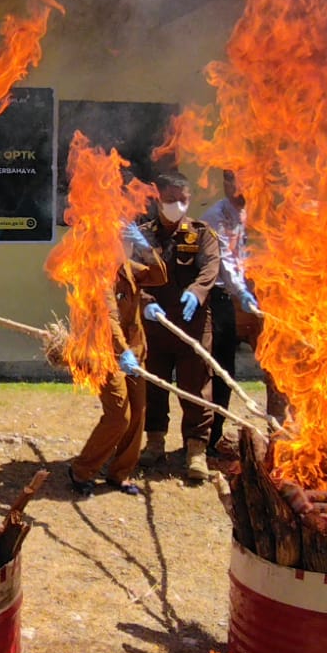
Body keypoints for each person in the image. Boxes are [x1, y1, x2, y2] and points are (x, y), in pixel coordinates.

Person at [69, 219, 166, 497]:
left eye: (129, 240)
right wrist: (122, 351)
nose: (127, 245)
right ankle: (81, 470)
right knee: (118, 416)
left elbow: (159, 276)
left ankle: (120, 473)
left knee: (138, 414)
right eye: (121, 240)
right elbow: (107, 318)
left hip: (135, 352)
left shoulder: (127, 268)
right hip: (105, 355)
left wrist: (147, 249)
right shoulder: (96, 274)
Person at [139, 172, 221, 481]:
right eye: (171, 200)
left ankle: (196, 451)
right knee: (155, 385)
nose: (177, 206)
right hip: (156, 324)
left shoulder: (202, 235)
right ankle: (155, 443)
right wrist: (145, 302)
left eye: (183, 200)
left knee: (196, 387)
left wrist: (197, 293)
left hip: (193, 324)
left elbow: (210, 268)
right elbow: (132, 273)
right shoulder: (144, 236)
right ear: (158, 198)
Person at [201, 170, 286, 446]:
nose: (238, 187)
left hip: (244, 297)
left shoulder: (246, 213)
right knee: (220, 370)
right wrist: (242, 292)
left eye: (243, 180)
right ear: (225, 183)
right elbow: (224, 261)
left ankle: (278, 433)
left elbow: (245, 256)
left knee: (272, 369)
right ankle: (208, 438)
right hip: (220, 298)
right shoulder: (217, 216)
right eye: (231, 180)